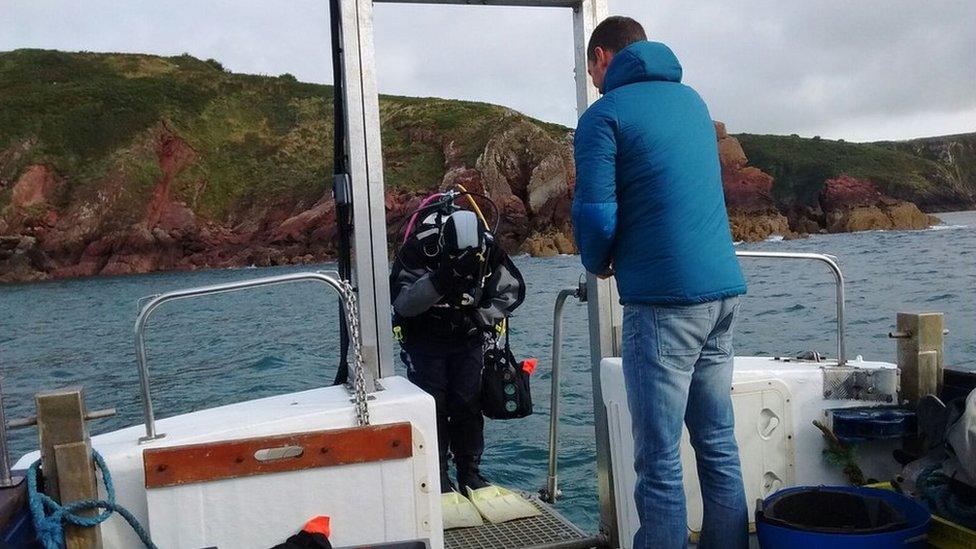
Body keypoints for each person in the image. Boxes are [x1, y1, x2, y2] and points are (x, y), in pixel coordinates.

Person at [572, 16, 749, 549]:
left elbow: (598, 214)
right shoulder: (693, 102)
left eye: (591, 69)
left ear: (603, 56)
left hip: (663, 303)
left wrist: (597, 260)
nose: (594, 80)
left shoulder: (603, 116)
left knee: (659, 458)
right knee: (718, 443)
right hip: (722, 295)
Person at [390, 199, 524, 495]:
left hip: (468, 337)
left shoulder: (489, 250)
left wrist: (478, 316)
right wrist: (441, 279)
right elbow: (402, 301)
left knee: (467, 404)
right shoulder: (420, 249)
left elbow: (513, 290)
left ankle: (470, 472)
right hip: (425, 339)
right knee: (433, 406)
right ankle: (437, 475)